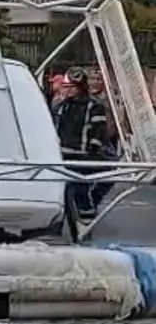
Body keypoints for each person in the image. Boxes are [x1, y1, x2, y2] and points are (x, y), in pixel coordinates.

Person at [52, 67, 109, 219]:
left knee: (82, 190)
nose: (69, 90)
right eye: (66, 87)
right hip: (62, 154)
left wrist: (93, 149)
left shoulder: (94, 105)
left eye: (72, 87)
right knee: (62, 191)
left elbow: (99, 129)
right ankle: (61, 223)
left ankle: (87, 218)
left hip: (83, 156)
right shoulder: (62, 106)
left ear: (81, 87)